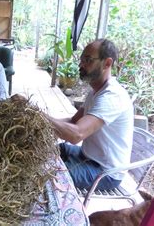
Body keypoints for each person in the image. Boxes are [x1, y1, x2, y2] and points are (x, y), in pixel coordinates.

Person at [47, 39, 134, 190]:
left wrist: (39, 116)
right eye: (81, 60)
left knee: (45, 176)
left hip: (105, 172)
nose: (81, 65)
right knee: (42, 150)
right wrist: (38, 122)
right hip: (86, 156)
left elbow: (76, 134)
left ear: (107, 63)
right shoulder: (95, 92)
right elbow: (73, 122)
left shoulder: (112, 97)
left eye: (87, 60)